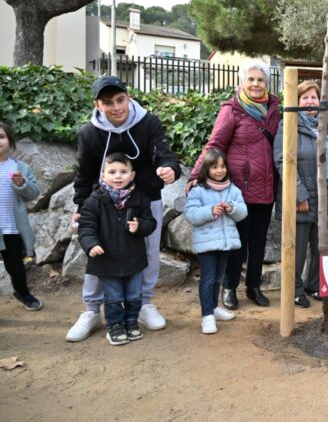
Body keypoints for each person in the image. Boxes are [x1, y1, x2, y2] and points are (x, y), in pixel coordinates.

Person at [67, 76, 180, 342]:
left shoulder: (148, 122)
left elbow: (164, 153)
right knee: (98, 254)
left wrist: (169, 169)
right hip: (103, 204)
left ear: (128, 97)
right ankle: (92, 309)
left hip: (145, 200)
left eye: (120, 100)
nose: (117, 107)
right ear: (98, 104)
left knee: (149, 253)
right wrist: (81, 207)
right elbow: (83, 173)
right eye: (108, 102)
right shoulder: (88, 133)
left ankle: (143, 304)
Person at [189, 60, 281, 310]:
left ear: (267, 84)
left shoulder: (276, 109)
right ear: (242, 82)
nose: (255, 84)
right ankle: (229, 288)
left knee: (259, 242)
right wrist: (195, 176)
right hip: (238, 191)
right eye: (250, 79)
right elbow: (215, 145)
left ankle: (254, 286)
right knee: (237, 243)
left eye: (260, 80)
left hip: (266, 188)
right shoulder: (232, 110)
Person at [78, 153, 157, 345]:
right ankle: (115, 325)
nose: (118, 176)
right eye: (112, 172)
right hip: (107, 259)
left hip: (133, 258)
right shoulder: (93, 201)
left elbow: (151, 223)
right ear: (103, 175)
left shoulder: (140, 199)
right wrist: (91, 245)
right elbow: (86, 227)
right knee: (112, 296)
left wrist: (140, 226)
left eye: (123, 171)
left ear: (132, 174)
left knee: (133, 294)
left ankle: (131, 322)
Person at [274, 81, 328, 308]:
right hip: (300, 197)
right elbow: (283, 161)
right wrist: (299, 195)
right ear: (297, 101)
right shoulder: (288, 124)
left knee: (319, 245)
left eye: (314, 97)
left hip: (322, 196)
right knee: (297, 248)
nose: (310, 102)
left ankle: (314, 285)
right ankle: (294, 289)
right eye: (305, 98)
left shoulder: (323, 126)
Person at [184, 149, 248, 334]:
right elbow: (190, 214)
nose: (219, 170)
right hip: (206, 244)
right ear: (206, 169)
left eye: (222, 166)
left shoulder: (233, 190)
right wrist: (211, 210)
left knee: (219, 277)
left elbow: (243, 212)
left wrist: (232, 208)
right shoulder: (198, 191)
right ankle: (207, 316)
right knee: (208, 278)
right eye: (214, 167)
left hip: (226, 243)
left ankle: (214, 307)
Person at [0, 121, 43, 311]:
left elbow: (34, 193)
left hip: (11, 227)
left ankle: (22, 292)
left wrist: (22, 184)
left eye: (1, 137)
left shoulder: (19, 167)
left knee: (16, 267)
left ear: (10, 141)